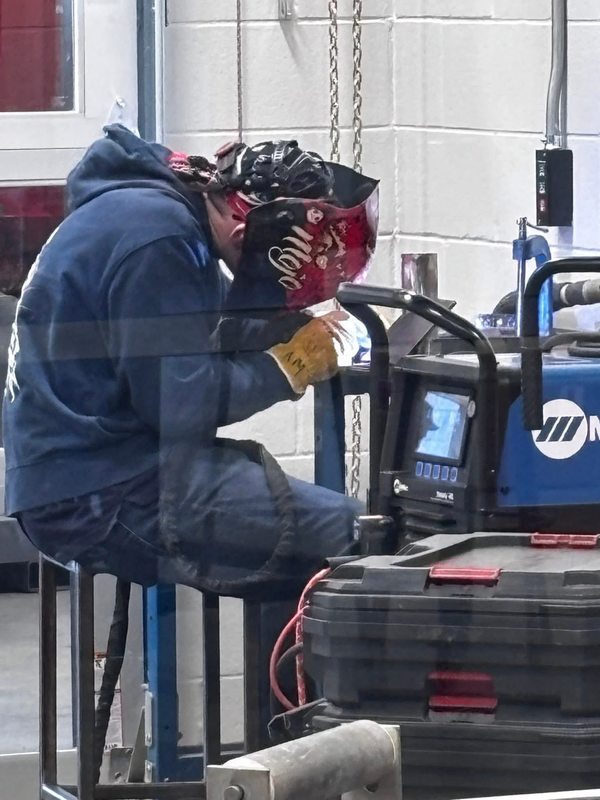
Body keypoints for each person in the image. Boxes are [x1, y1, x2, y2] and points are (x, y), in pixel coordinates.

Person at [3, 125, 379, 729]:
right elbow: (179, 401)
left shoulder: (157, 210)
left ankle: (277, 761)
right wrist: (289, 366)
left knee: (299, 558)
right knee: (350, 535)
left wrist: (275, 333)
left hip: (95, 467)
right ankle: (310, 762)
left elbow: (185, 342)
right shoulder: (160, 239)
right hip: (96, 491)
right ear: (245, 230)